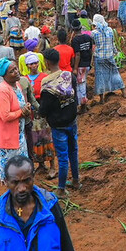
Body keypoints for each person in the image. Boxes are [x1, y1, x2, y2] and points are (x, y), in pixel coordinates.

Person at [0, 155, 77, 251]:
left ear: (33, 177)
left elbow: (66, 247)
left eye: (26, 180)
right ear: (6, 181)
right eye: (15, 182)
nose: (22, 188)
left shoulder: (50, 206)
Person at [38, 49, 79, 198]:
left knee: (62, 157)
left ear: (47, 62)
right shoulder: (69, 76)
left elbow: (43, 109)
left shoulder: (47, 83)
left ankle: (61, 189)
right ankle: (76, 180)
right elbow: (75, 97)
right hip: (72, 120)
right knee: (73, 151)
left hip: (58, 125)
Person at [0, 59, 31, 182]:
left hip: (18, 136)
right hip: (7, 139)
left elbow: (20, 104)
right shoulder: (2, 90)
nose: (16, 72)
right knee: (12, 174)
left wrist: (26, 107)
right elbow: (5, 116)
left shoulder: (17, 85)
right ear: (4, 76)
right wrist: (22, 112)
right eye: (12, 71)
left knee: (21, 170)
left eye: (16, 68)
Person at [91, 15, 126, 103]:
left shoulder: (93, 33)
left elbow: (93, 46)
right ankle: (124, 92)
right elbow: (112, 43)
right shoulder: (110, 30)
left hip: (99, 57)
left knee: (100, 77)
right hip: (109, 56)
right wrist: (116, 52)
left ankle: (101, 99)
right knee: (115, 74)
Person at [70, 20, 93, 111]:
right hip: (87, 64)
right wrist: (90, 63)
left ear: (73, 30)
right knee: (83, 82)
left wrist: (75, 68)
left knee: (80, 85)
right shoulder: (88, 37)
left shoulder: (75, 40)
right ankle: (83, 104)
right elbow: (90, 50)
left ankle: (82, 105)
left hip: (80, 65)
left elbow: (77, 54)